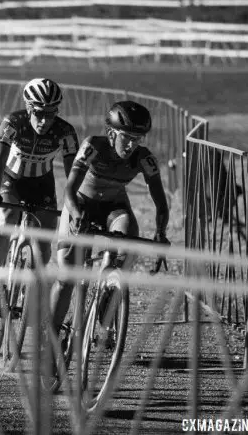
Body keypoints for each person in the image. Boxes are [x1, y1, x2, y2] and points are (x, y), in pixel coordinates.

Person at [50, 100, 170, 338]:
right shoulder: (93, 146)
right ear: (111, 133)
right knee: (67, 277)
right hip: (81, 204)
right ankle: (50, 335)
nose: (132, 145)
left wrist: (160, 233)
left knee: (127, 242)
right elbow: (70, 191)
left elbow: (160, 202)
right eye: (127, 137)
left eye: (139, 138)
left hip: (114, 209)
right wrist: (75, 215)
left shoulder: (144, 158)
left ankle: (109, 290)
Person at [0, 78, 79, 313]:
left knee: (44, 243)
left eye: (51, 113)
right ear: (28, 107)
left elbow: (72, 175)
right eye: (39, 113)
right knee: (6, 221)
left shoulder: (65, 131)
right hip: (11, 181)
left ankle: (31, 289)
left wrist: (76, 206)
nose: (45, 120)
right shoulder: (13, 122)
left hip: (42, 185)